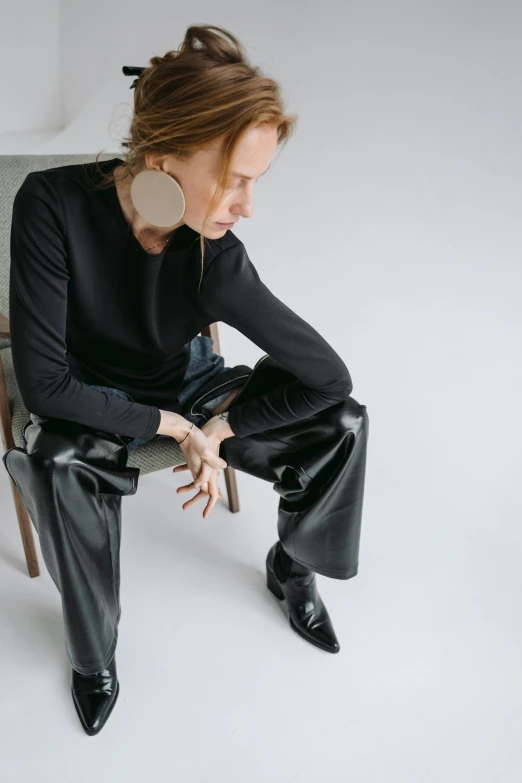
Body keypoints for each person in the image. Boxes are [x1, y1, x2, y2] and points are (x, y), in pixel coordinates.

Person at [2, 24, 369, 736]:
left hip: (185, 383)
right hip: (85, 391)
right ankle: (93, 652)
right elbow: (44, 387)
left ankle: (293, 565)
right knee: (54, 456)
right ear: (164, 157)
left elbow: (329, 377)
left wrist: (221, 426)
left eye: (256, 182)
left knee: (343, 423)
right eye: (234, 179)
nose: (247, 204)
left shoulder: (215, 256)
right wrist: (168, 427)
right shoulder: (51, 206)